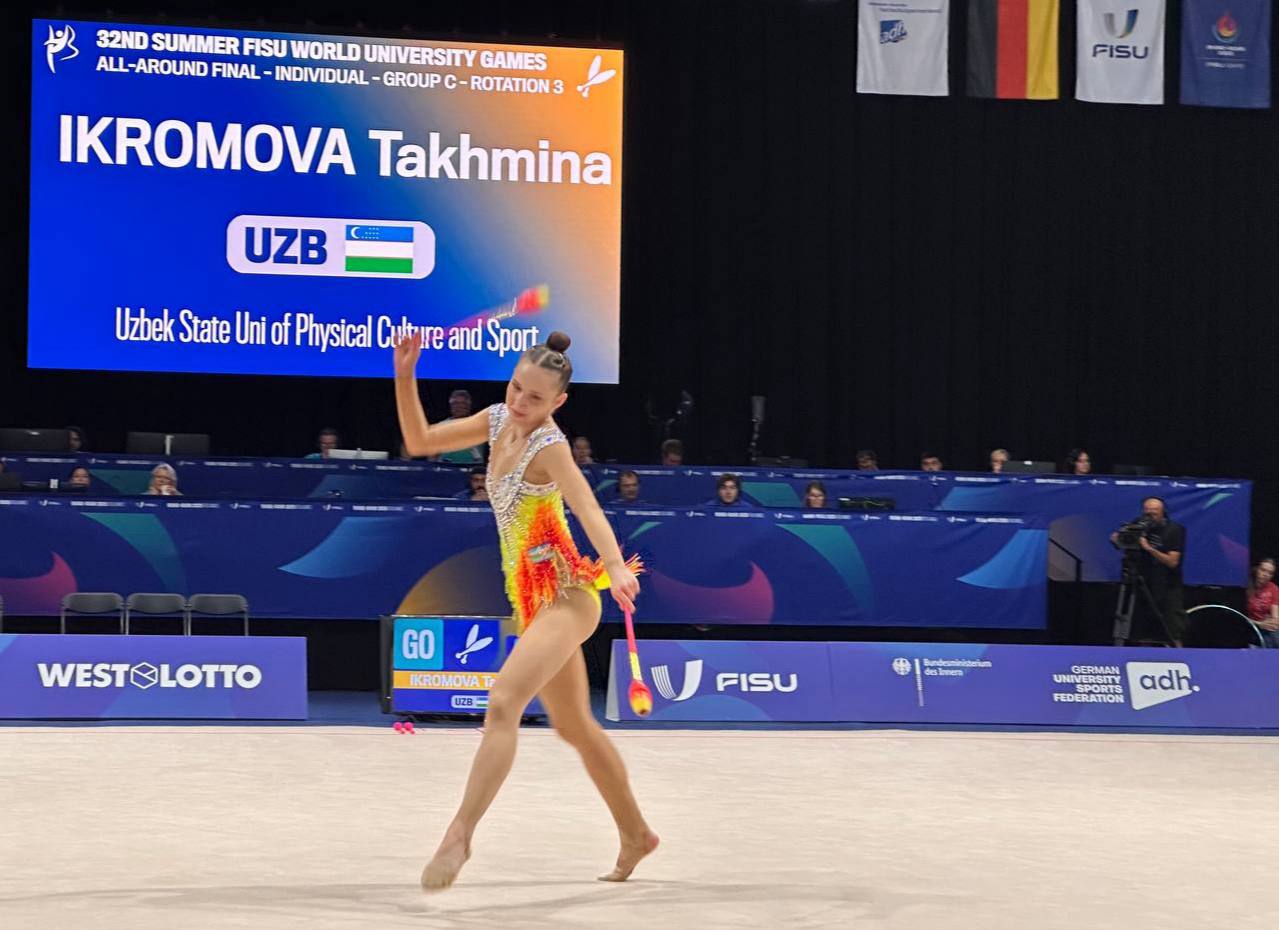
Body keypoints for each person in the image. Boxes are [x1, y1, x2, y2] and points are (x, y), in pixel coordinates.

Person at [393, 327, 656, 890]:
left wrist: (614, 566)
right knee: (575, 727)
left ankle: (459, 835)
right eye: (516, 387)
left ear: (558, 402)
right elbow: (418, 439)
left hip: (567, 596)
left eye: (535, 398)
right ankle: (636, 833)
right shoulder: (495, 421)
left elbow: (586, 506)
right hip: (532, 602)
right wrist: (405, 375)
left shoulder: (550, 446)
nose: (519, 402)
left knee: (504, 701)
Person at [1112, 497, 1186, 645]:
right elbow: (1124, 542)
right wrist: (1117, 540)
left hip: (1167, 584)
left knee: (1173, 625)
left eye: (1154, 512)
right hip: (1140, 580)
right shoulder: (1137, 525)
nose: (1150, 515)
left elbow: (1172, 562)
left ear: (1163, 512)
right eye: (1147, 512)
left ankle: (1178, 653)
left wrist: (1149, 549)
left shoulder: (1174, 529)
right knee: (1139, 625)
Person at [431, 390, 486, 465]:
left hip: (473, 469)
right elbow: (432, 454)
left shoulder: (480, 424)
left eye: (463, 403)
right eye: (456, 403)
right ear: (451, 405)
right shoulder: (440, 426)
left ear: (469, 405)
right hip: (445, 468)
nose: (460, 406)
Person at [1245, 557, 1279, 648]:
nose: (1266, 575)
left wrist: (1273, 622)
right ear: (1257, 569)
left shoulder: (1274, 589)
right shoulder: (1245, 587)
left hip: (1268, 628)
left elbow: (1276, 617)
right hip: (1251, 626)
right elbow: (1241, 617)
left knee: (1273, 636)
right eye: (1263, 570)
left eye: (1270, 573)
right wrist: (1260, 624)